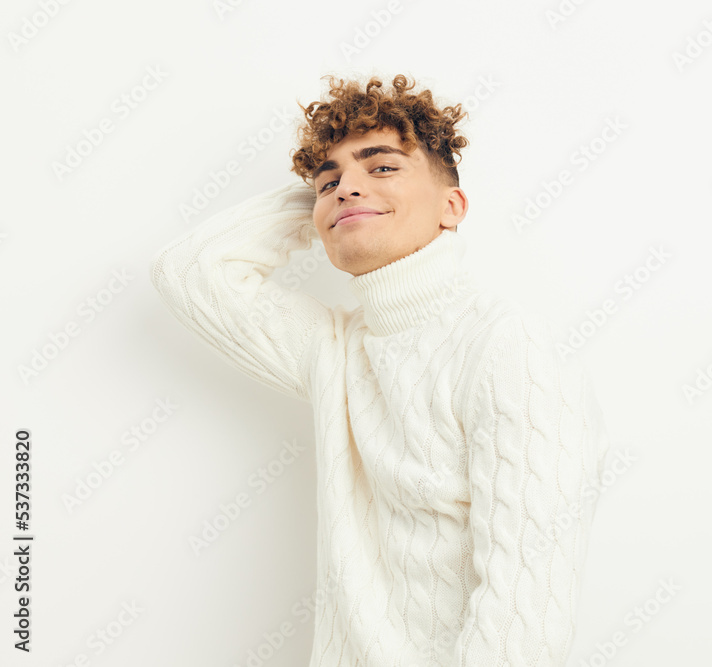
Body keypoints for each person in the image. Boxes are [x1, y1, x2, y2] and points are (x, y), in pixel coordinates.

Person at [149, 72, 612, 666]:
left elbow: (526, 618)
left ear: (452, 206)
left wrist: (347, 196)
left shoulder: (507, 347)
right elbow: (189, 271)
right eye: (328, 182)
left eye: (384, 166)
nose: (346, 186)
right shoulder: (335, 349)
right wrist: (333, 202)